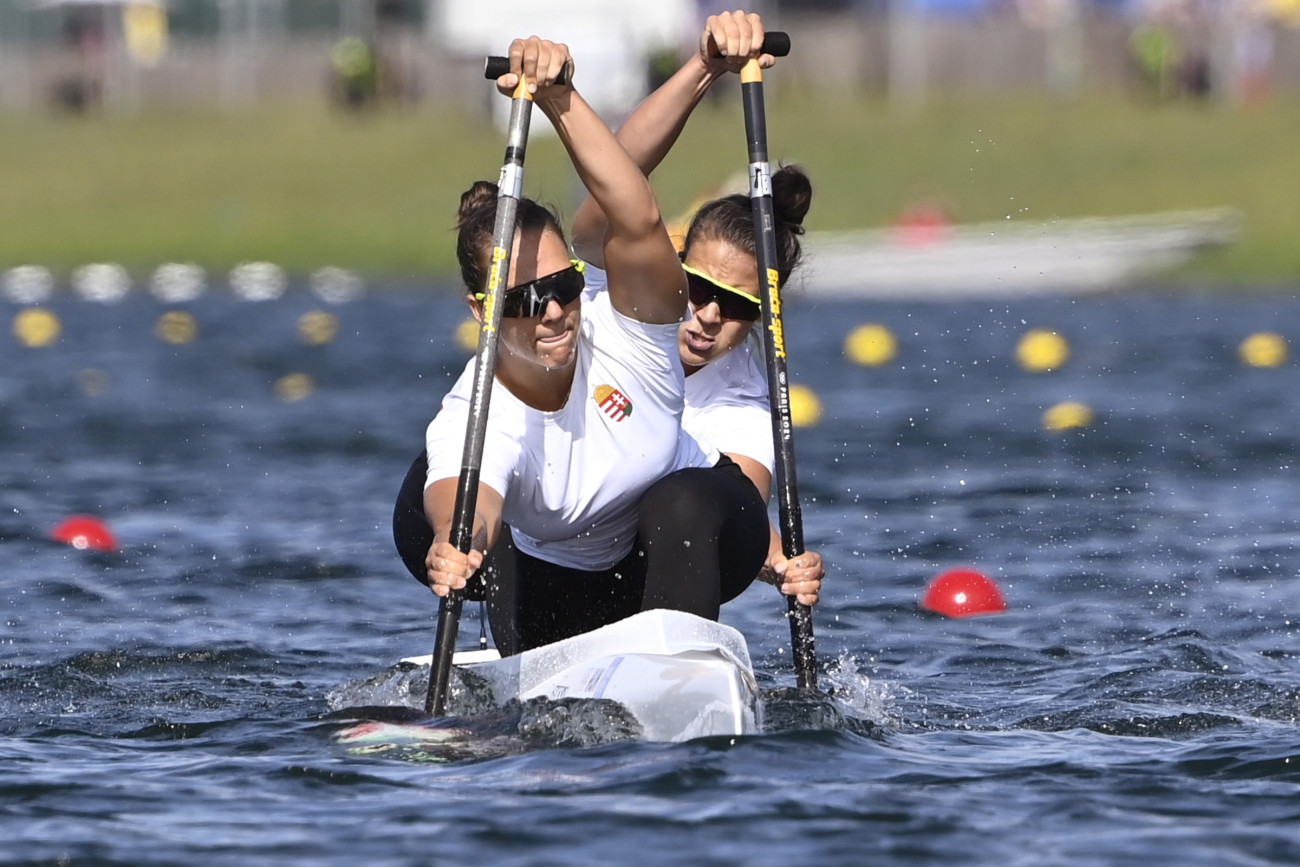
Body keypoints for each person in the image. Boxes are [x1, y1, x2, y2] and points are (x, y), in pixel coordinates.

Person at [393, 36, 777, 656]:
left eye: (563, 286)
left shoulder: (631, 329)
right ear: (482, 312)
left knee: (679, 504)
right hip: (559, 570)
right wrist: (457, 538)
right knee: (430, 505)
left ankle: (678, 660)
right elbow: (473, 494)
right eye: (525, 299)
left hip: (680, 545)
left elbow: (635, 213)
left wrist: (560, 99)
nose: (553, 312)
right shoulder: (478, 407)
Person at [570, 10, 825, 608]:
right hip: (561, 535)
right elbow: (618, 175)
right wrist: (704, 67)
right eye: (699, 289)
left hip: (643, 569)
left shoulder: (745, 405)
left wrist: (775, 560)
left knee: (683, 498)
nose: (709, 315)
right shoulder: (617, 288)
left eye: (737, 306)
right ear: (674, 267)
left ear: (764, 315)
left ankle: (674, 663)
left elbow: (733, 508)